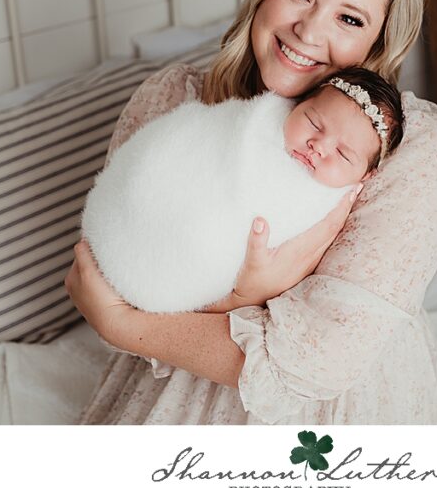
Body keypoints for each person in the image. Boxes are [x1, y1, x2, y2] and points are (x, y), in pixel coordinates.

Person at [65, 0, 437, 424]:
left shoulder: (411, 151)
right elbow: (99, 278)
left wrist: (131, 322)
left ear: (378, 42)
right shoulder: (174, 100)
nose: (309, 31)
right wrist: (235, 297)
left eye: (350, 19)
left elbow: (319, 364)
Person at [82, 66, 404, 314]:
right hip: (136, 219)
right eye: (314, 123)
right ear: (298, 104)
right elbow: (186, 146)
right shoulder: (256, 121)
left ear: (366, 174)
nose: (318, 146)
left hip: (187, 263)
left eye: (343, 154)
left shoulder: (332, 203)